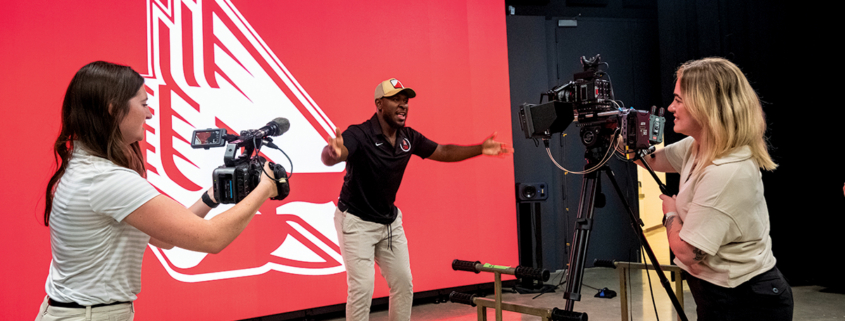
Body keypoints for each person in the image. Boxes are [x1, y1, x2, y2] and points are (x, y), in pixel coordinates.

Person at [36, 61, 280, 321]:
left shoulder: (86, 166)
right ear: (112, 109)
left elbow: (165, 238)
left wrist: (212, 198)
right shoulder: (107, 180)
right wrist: (265, 187)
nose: (150, 114)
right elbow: (212, 238)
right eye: (143, 104)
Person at [321, 78, 512, 321]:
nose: (403, 106)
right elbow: (337, 152)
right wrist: (333, 153)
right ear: (379, 104)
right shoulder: (360, 133)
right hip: (356, 222)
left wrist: (481, 148)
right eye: (395, 100)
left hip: (389, 223)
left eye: (405, 101)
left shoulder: (407, 137)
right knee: (362, 289)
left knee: (403, 283)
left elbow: (442, 151)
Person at [637, 57, 792, 320]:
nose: (671, 107)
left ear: (705, 105)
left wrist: (671, 212)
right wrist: (614, 133)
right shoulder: (698, 145)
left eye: (679, 100)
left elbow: (687, 253)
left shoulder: (727, 170)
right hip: (717, 295)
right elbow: (650, 160)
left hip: (748, 301)